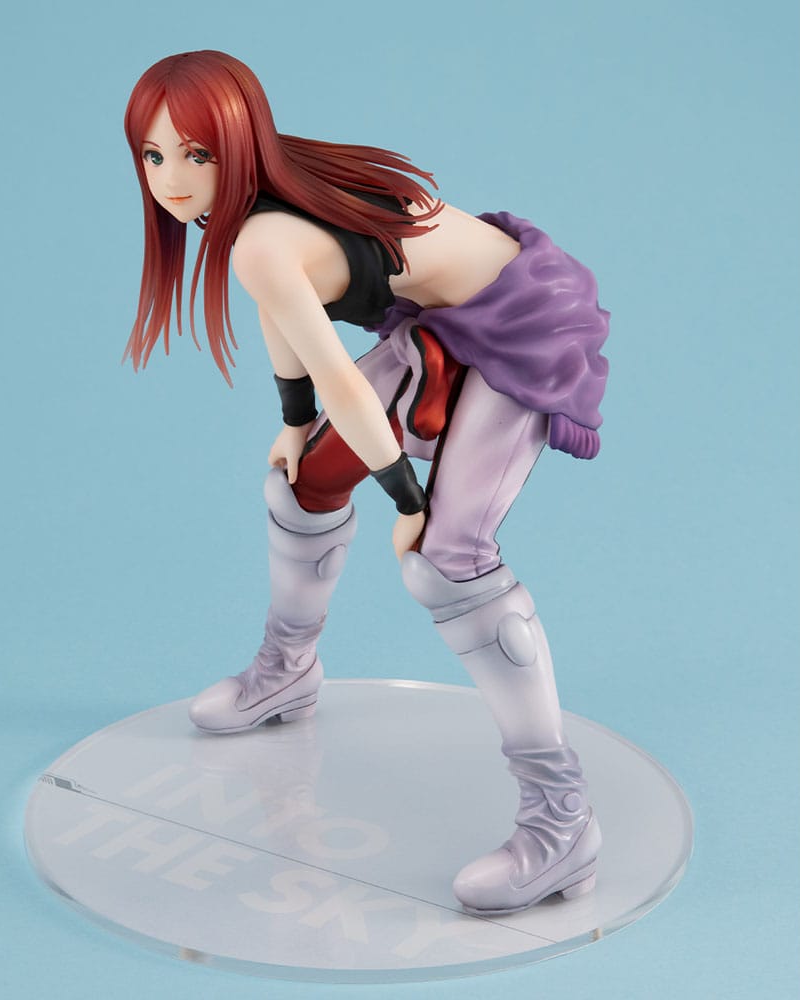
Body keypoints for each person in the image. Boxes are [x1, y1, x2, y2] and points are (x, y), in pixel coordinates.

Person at [123, 50, 610, 915]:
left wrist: (408, 503)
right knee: (300, 482)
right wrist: (292, 419)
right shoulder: (265, 205)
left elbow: (345, 384)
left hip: (524, 322)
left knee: (448, 562)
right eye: (154, 156)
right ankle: (286, 671)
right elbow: (287, 314)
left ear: (239, 141)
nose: (173, 181)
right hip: (444, 318)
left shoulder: (262, 236)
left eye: (197, 154)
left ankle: (559, 819)